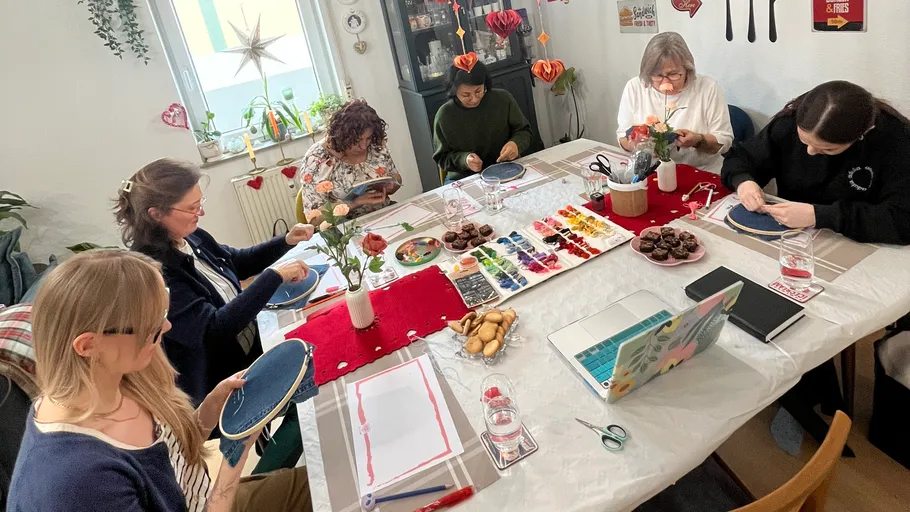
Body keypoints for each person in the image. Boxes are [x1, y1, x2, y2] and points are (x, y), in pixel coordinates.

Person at [6, 250, 311, 511]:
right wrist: (235, 457)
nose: (165, 326)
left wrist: (210, 408)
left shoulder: (119, 377)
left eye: (162, 310)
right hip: (214, 499)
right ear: (88, 345)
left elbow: (171, 452)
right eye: (149, 326)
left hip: (205, 497)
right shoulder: (80, 481)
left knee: (329, 479)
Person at [115, 160, 314, 406]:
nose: (201, 213)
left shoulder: (189, 236)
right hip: (225, 378)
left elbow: (235, 261)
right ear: (155, 214)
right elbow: (213, 331)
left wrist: (285, 240)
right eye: (192, 207)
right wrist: (273, 276)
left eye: (200, 203)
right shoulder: (154, 273)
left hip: (251, 340)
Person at [722, 80, 910, 245]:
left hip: (858, 240)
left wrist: (820, 216)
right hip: (789, 237)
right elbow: (742, 157)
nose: (810, 152)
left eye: (828, 149)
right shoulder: (788, 123)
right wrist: (744, 181)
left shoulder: (895, 140)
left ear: (863, 133)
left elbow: (902, 219)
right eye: (804, 141)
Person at [617, 32, 733, 174]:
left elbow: (724, 141)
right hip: (650, 171)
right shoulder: (635, 87)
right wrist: (634, 144)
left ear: (687, 70)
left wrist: (698, 140)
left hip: (700, 172)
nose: (665, 82)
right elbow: (622, 135)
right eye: (658, 75)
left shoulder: (708, 88)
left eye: (673, 74)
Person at [298, 100, 402, 222]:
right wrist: (353, 203)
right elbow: (314, 218)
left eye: (368, 138)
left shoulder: (375, 145)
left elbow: (397, 177)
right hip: (345, 228)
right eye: (357, 140)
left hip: (383, 215)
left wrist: (391, 185)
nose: (363, 146)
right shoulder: (316, 159)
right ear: (341, 136)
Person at [433, 61, 534, 182]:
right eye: (466, 95)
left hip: (507, 169)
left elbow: (524, 130)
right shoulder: (445, 115)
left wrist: (515, 144)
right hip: (465, 177)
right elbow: (442, 158)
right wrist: (464, 160)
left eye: (478, 91)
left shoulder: (503, 99)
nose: (474, 99)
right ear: (454, 92)